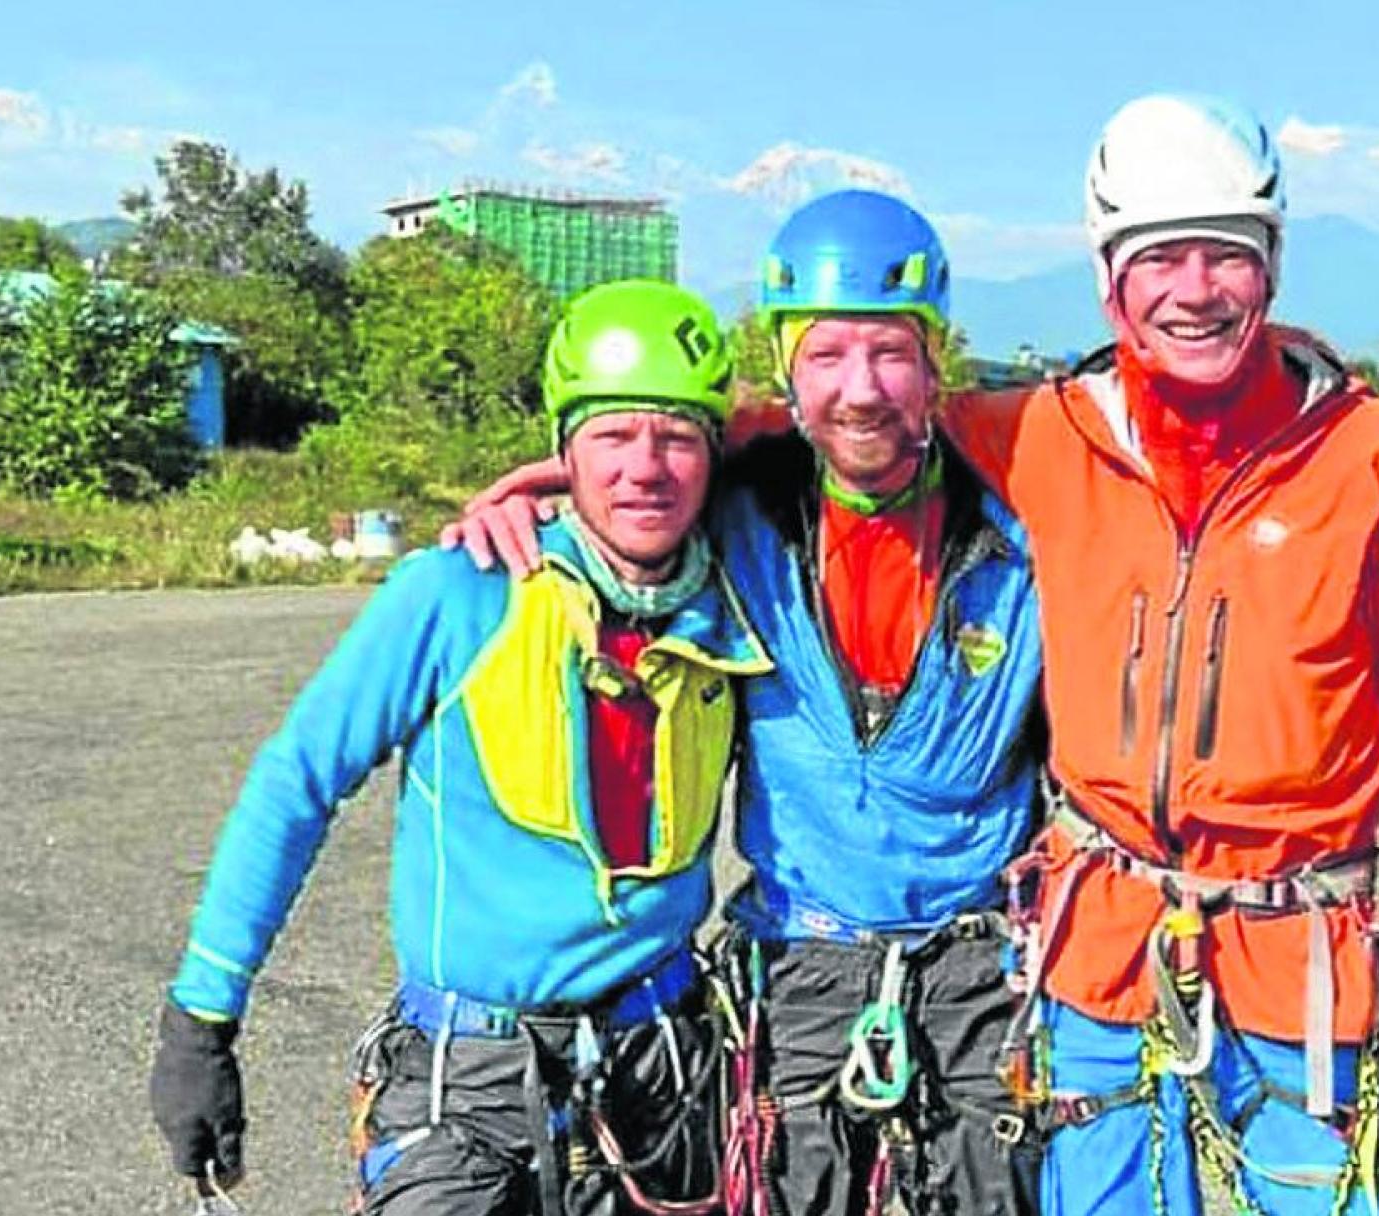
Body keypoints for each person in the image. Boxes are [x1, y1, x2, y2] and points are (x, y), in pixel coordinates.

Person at [935, 95, 1379, 1215]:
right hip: (1098, 954)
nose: (1195, 289)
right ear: (1109, 277)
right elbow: (848, 422)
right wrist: (590, 478)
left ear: (1275, 266)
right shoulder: (1038, 435)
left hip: (1301, 962)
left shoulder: (1376, 458)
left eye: (1229, 255)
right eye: (1162, 257)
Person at [448, 190, 1046, 1216]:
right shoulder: (742, 497)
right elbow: (638, 460)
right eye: (826, 356)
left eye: (890, 353)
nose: (861, 389)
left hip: (981, 972)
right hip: (799, 968)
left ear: (936, 363)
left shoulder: (1027, 515)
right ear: (785, 372)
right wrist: (536, 487)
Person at [149, 280, 770, 1215]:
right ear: (564, 450)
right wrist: (202, 1016)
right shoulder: (458, 592)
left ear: (713, 455)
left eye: (678, 437)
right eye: (610, 437)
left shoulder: (740, 595)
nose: (646, 466)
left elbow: (845, 429)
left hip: (665, 1077)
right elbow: (297, 784)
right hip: (468, 1083)